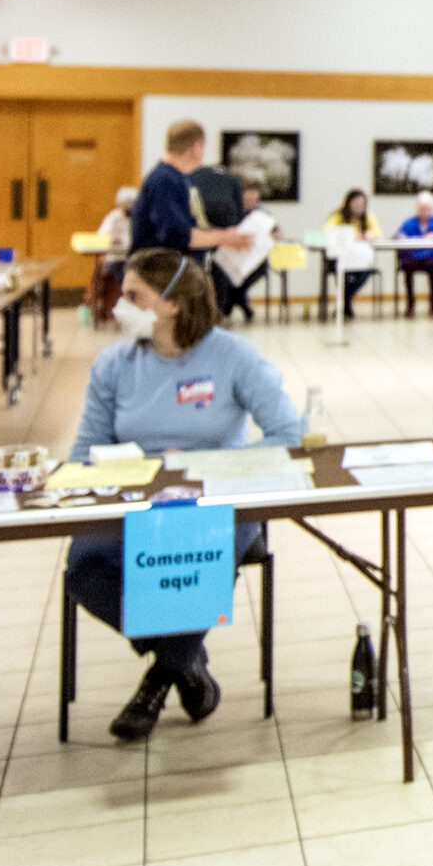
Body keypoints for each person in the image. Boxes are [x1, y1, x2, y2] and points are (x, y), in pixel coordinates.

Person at [65, 250, 302, 741]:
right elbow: (86, 450)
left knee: (193, 563)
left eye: (134, 297)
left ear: (172, 305)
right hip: (137, 500)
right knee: (86, 568)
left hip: (220, 502)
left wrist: (213, 468)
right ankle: (187, 662)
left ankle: (157, 681)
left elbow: (287, 433)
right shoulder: (114, 364)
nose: (118, 306)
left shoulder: (231, 356)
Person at [132, 120, 250, 260]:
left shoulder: (179, 178)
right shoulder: (164, 180)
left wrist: (222, 235)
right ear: (197, 148)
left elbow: (189, 227)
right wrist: (223, 237)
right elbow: (177, 234)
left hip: (170, 271)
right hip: (156, 273)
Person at [212, 180, 277, 323]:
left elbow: (275, 232)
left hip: (252, 255)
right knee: (221, 270)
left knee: (260, 268)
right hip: (230, 252)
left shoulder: (263, 214)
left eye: (254, 198)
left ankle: (236, 297)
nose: (250, 202)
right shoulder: (231, 211)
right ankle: (236, 300)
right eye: (247, 199)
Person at [393, 193, 433, 316]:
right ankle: (410, 305)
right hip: (413, 258)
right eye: (422, 209)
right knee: (408, 268)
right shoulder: (409, 222)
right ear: (417, 209)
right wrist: (400, 236)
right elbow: (397, 235)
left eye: (427, 209)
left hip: (431, 258)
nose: (424, 212)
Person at [88, 185, 138, 328]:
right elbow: (101, 237)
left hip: (135, 259)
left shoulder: (140, 217)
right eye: (125, 204)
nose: (128, 208)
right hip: (116, 258)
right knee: (118, 271)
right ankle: (122, 306)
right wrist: (111, 239)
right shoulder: (113, 217)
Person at [326, 188, 379, 319]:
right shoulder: (337, 216)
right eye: (356, 203)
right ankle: (346, 304)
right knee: (345, 274)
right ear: (349, 202)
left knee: (365, 272)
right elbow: (328, 231)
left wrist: (368, 235)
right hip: (342, 258)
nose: (359, 206)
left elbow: (376, 232)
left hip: (361, 259)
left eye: (362, 203)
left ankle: (345, 301)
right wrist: (351, 235)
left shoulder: (368, 216)